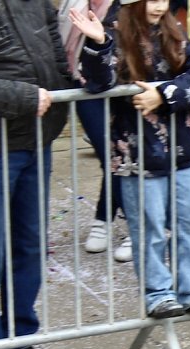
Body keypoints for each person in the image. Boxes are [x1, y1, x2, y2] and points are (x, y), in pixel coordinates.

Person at [70, 0, 190, 319]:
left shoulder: (175, 31)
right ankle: (158, 293)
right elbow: (99, 83)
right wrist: (98, 44)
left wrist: (164, 94)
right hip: (136, 155)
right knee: (149, 228)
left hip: (180, 151)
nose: (159, 6)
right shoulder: (113, 32)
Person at [0, 0, 70, 349]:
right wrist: (23, 97)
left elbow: (54, 51)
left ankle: (19, 342)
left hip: (34, 140)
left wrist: (63, 89)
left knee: (28, 248)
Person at [58, 0, 132, 262]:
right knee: (108, 154)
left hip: (124, 87)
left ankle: (124, 223)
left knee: (122, 157)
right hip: (85, 86)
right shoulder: (73, 3)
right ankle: (106, 218)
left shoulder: (126, 5)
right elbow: (59, 42)